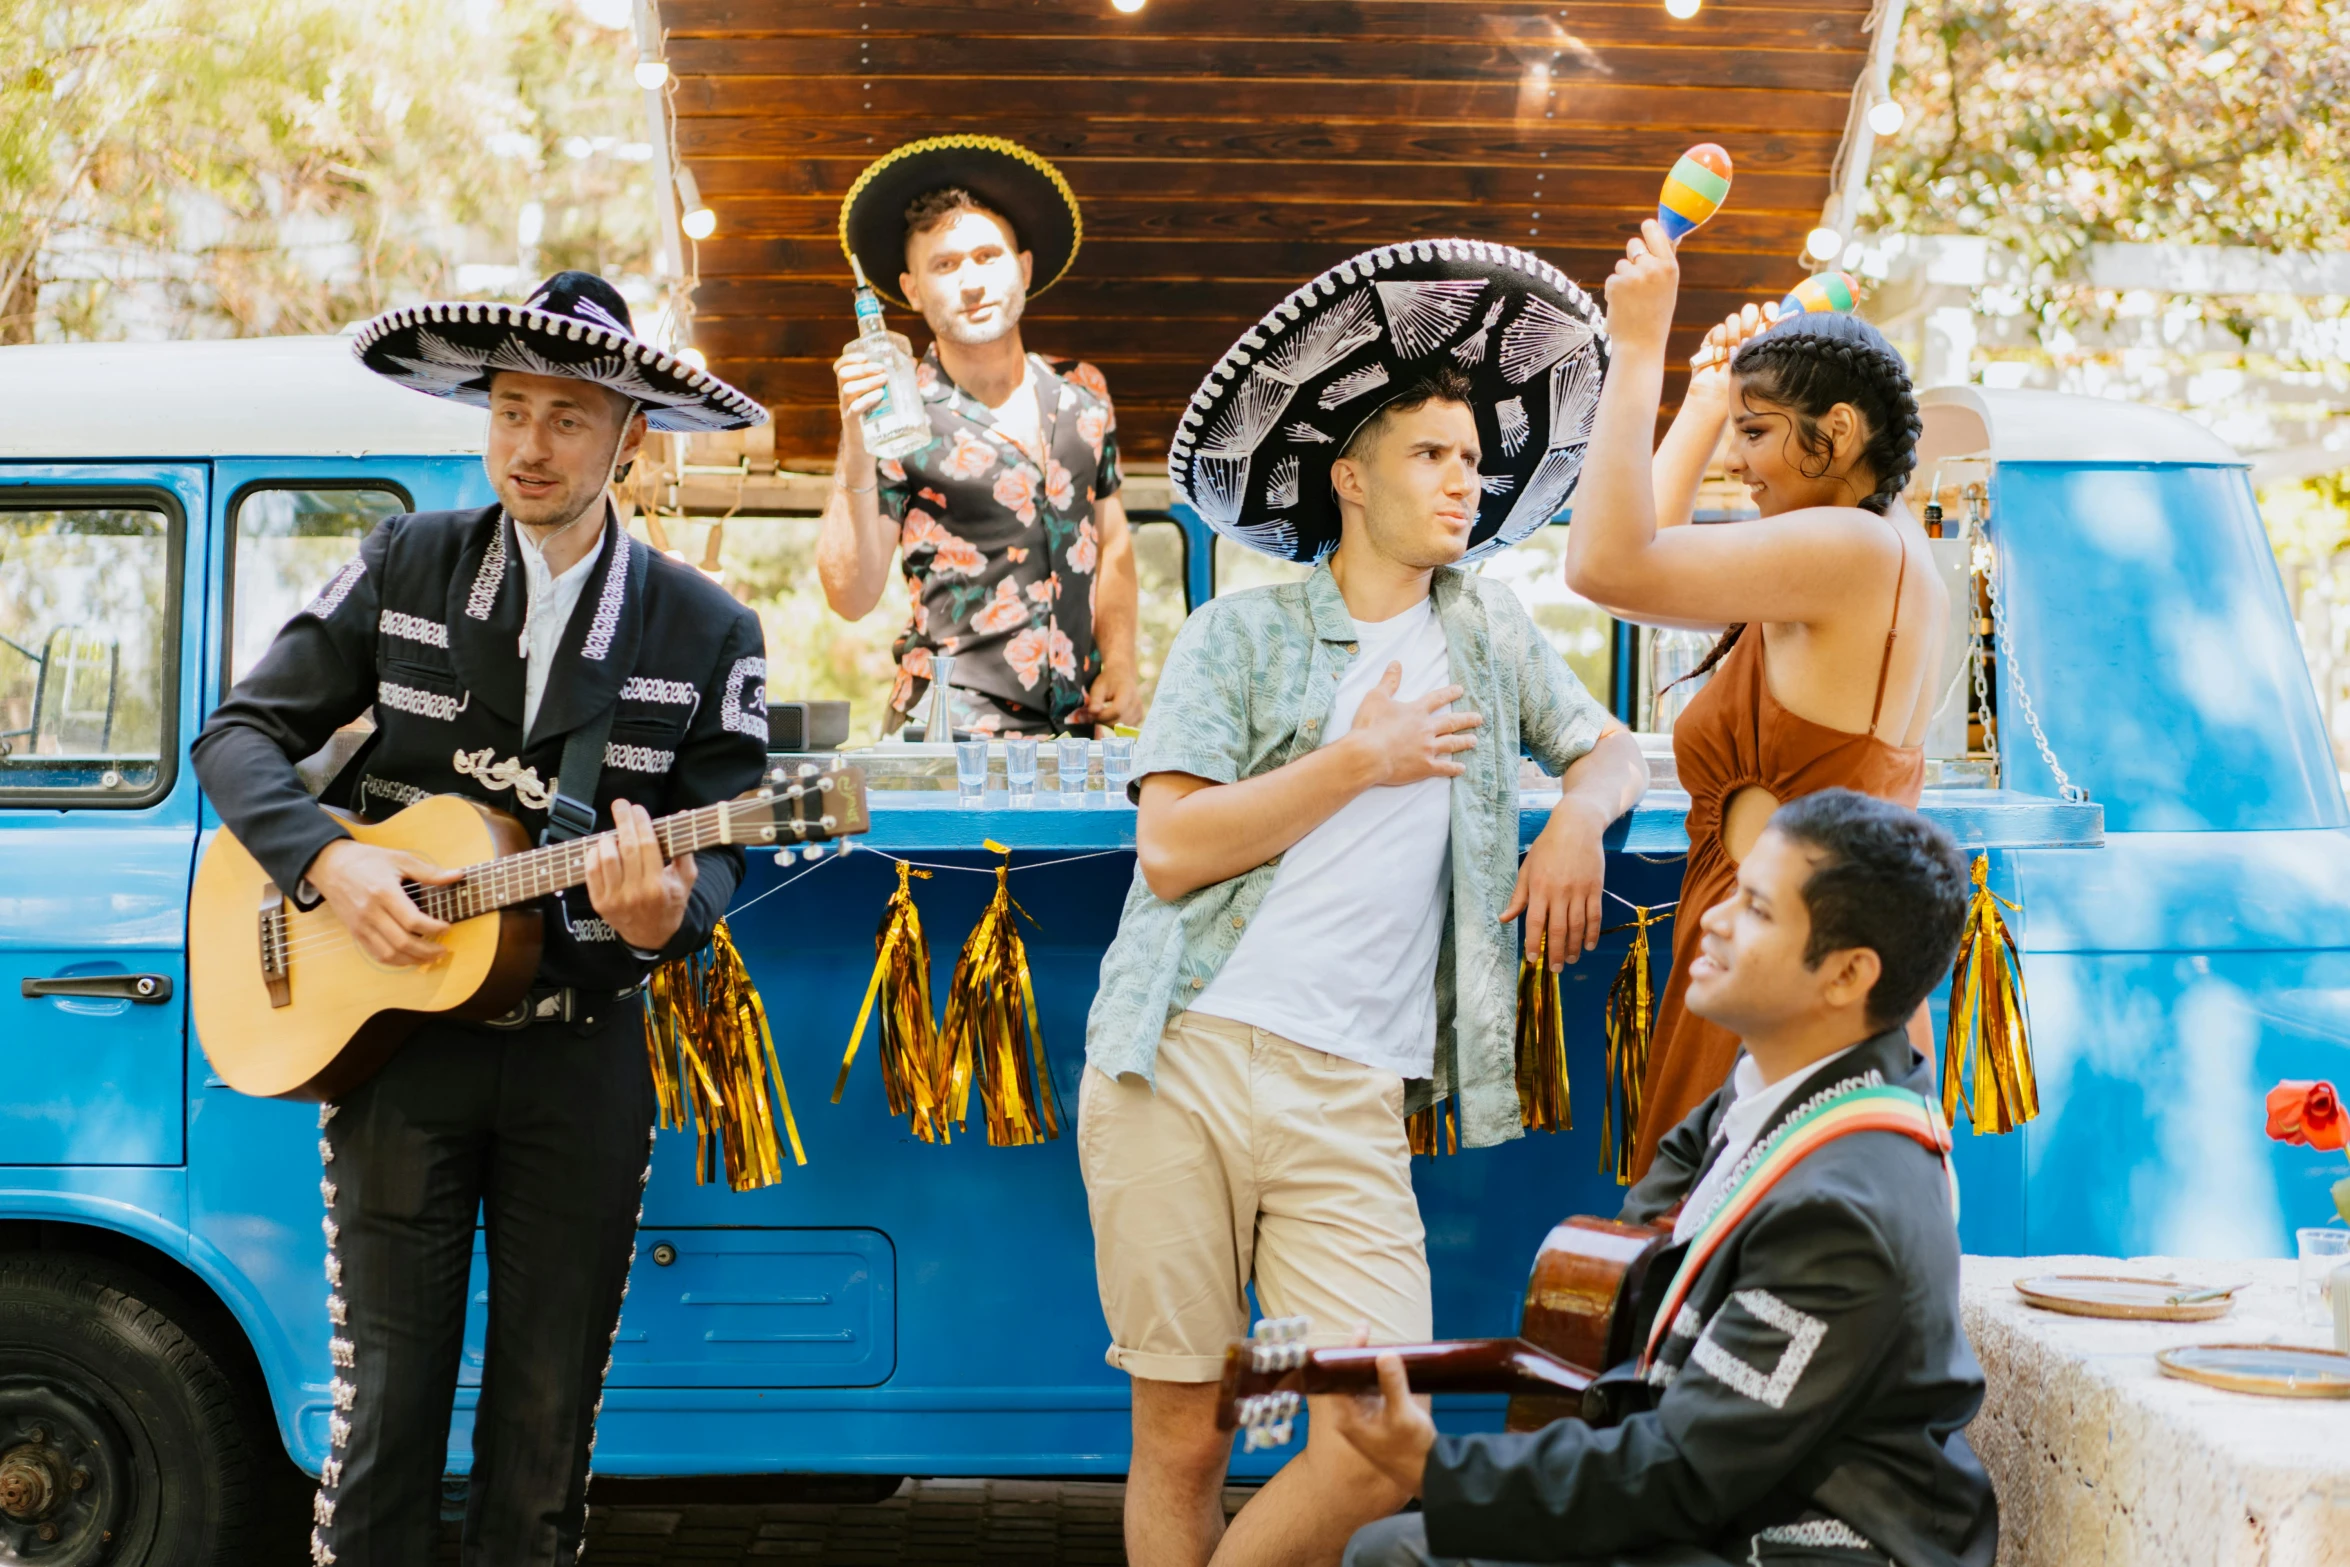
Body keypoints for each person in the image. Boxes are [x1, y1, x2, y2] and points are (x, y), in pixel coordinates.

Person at [1084, 239, 1651, 1567]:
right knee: (1183, 1432)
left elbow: (1607, 743)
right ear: (1349, 475)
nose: (1464, 481)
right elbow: (1168, 849)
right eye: (1431, 456)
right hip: (1183, 1055)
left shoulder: (1491, 630)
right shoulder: (1240, 634)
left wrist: (1576, 812)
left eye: (1473, 461)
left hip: (1349, 1089)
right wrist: (1359, 759)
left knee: (1370, 1438)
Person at [193, 271, 772, 1566]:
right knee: (387, 1410)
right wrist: (327, 865)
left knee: (544, 1420)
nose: (529, 443)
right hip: (398, 1049)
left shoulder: (708, 624)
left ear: (629, 434)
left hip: (582, 1053)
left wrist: (658, 915)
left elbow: (722, 846)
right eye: (509, 407)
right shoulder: (405, 562)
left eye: (567, 416)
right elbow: (236, 739)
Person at [1332, 789, 1997, 1567]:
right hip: (1728, 1502)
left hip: (1805, 1544)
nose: (1712, 917)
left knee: (1402, 1556)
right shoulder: (1779, 1088)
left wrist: (1434, 1468)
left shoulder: (1841, 1211)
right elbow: (1647, 1254)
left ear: (1848, 974)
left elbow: (1687, 1468)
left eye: (1755, 908)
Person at [1563, 221, 1950, 1180]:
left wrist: (1639, 341)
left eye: (1759, 431)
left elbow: (1605, 562)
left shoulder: (1852, 551)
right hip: (1769, 952)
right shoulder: (1861, 544)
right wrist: (1704, 400)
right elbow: (1635, 549)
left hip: (1797, 974)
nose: (1740, 461)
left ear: (1844, 431)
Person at [820, 136, 1137, 737]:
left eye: (987, 256)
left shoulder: (1085, 393)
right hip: (946, 735)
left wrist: (1121, 659)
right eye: (944, 264)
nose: (970, 281)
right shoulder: (896, 409)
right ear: (911, 289)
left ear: (1022, 268)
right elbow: (850, 596)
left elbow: (1113, 542)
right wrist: (854, 440)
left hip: (1076, 733)